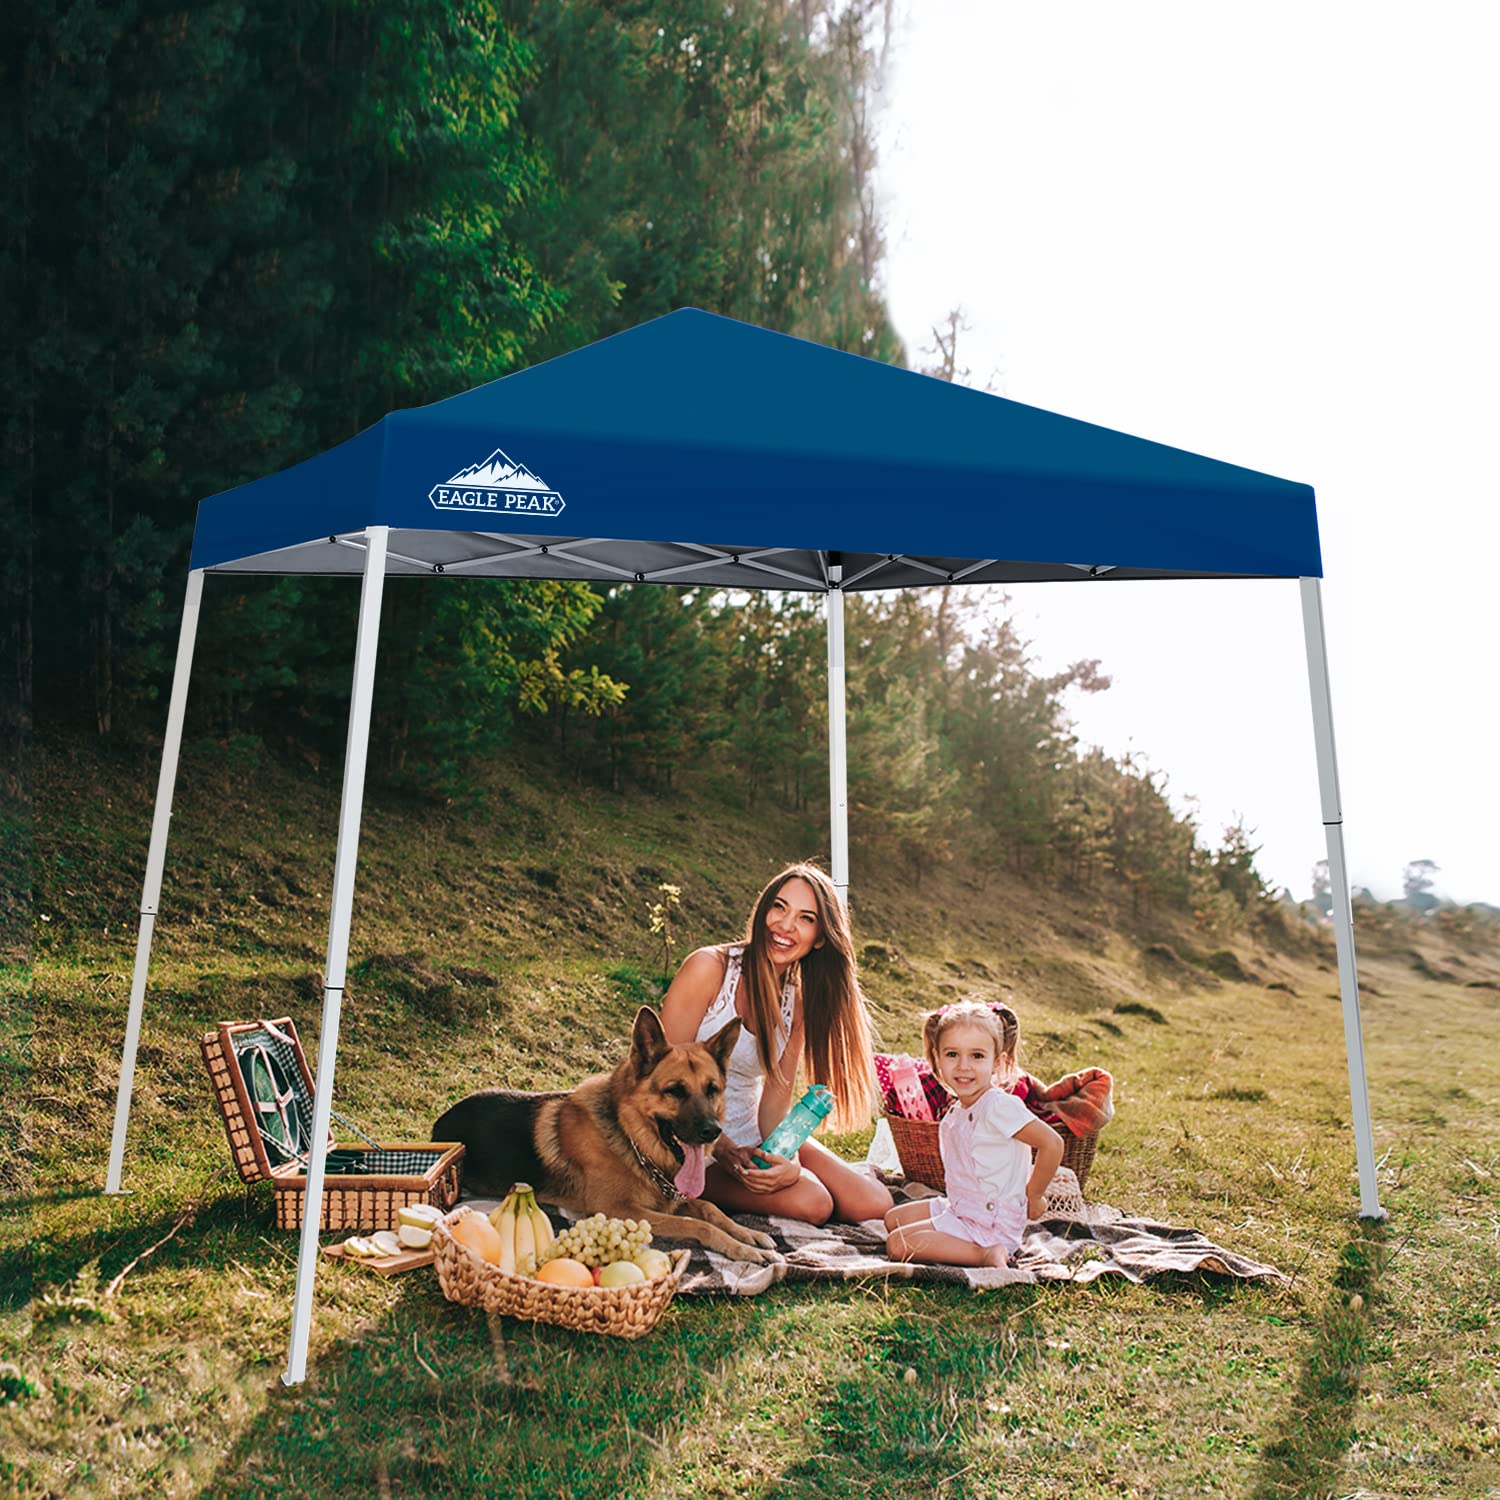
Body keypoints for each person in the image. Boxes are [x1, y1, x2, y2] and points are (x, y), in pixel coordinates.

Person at [659, 863, 894, 1225]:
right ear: (763, 909)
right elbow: (662, 1078)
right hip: (692, 1135)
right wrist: (722, 1150)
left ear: (819, 937)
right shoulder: (709, 969)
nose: (784, 926)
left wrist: (791, 1161)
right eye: (779, 907)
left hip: (751, 1133)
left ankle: (755, 1179)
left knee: (873, 1202)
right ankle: (687, 1186)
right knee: (814, 1202)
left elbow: (775, 1102)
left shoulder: (796, 1002)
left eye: (805, 918)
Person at [884, 999, 1062, 1267]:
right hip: (964, 1207)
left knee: (898, 1244)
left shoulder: (997, 1105)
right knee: (891, 1219)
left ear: (996, 1062)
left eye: (977, 1056)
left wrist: (1033, 1195)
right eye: (952, 1054)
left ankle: (986, 1254)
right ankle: (958, 1236)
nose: (963, 1066)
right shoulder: (957, 1109)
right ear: (937, 1059)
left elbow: (1052, 1143)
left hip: (991, 1223)